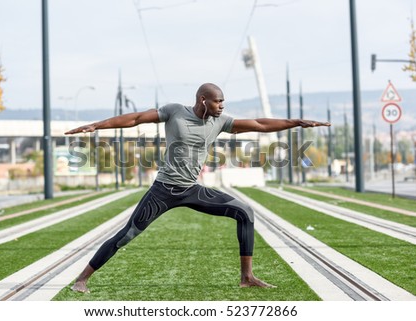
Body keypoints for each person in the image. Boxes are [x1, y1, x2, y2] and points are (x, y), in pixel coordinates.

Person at [65, 83, 330, 293]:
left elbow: (260, 125)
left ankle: (247, 277)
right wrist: (97, 125)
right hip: (163, 190)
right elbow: (135, 119)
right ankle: (82, 279)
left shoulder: (220, 122)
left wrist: (296, 122)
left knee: (245, 212)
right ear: (203, 99)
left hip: (191, 190)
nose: (221, 105)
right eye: (218, 101)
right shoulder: (174, 111)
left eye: (223, 102)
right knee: (126, 235)